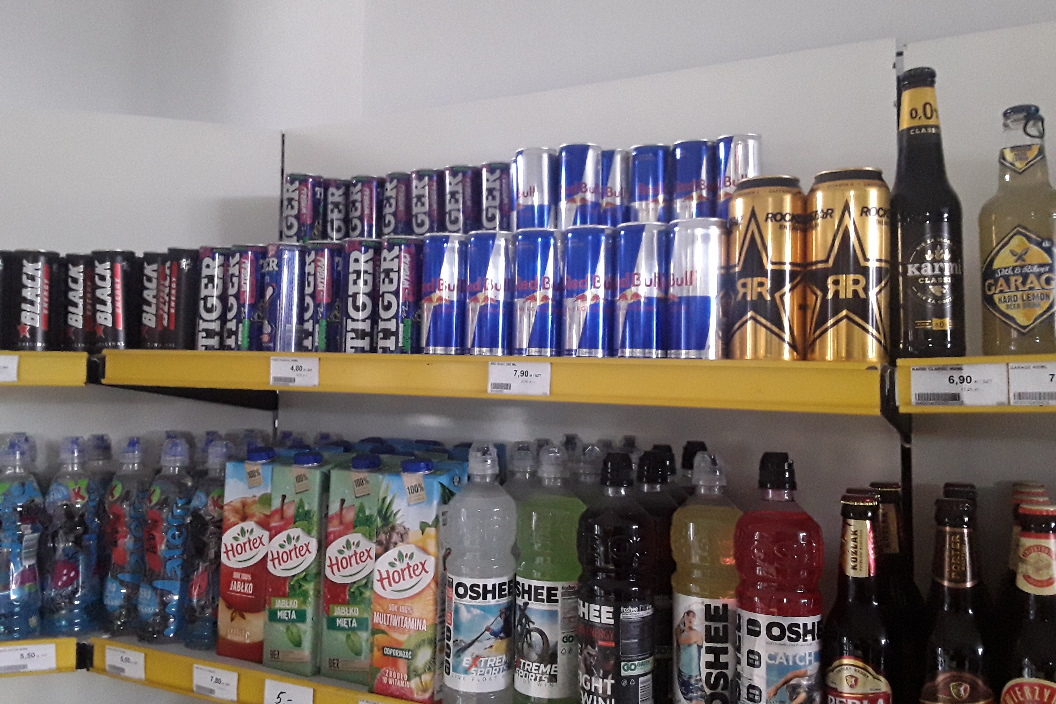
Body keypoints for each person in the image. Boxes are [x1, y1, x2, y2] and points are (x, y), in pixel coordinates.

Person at [675, 608, 705, 703]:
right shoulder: (683, 633)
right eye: (688, 616)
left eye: (693, 616)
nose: (690, 618)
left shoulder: (696, 634)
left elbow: (682, 641)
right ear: (684, 618)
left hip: (694, 677)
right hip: (683, 674)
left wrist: (679, 631)